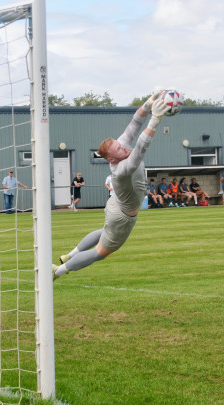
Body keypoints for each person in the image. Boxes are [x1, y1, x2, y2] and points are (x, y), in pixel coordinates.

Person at [53, 91, 167, 280]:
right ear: (112, 158)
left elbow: (135, 123)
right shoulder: (121, 169)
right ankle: (57, 271)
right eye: (118, 149)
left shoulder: (120, 146)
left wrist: (148, 104)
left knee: (103, 232)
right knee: (100, 253)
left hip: (115, 204)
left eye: (120, 144)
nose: (123, 146)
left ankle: (70, 255)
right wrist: (155, 119)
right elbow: (140, 149)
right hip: (122, 217)